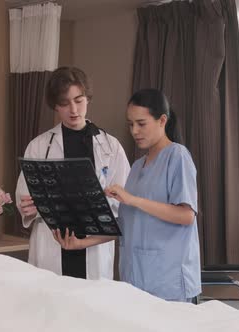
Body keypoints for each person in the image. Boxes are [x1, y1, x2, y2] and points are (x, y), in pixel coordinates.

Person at [15, 66, 130, 280]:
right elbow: (24, 196)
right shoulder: (39, 146)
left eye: (79, 100)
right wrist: (29, 207)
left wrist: (100, 201)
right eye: (65, 103)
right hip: (51, 241)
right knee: (51, 305)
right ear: (55, 107)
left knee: (90, 306)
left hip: (93, 243)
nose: (73, 109)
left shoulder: (110, 147)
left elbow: (124, 203)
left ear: (88, 98)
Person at [105, 88, 201, 302]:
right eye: (131, 124)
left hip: (168, 282)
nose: (134, 131)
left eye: (141, 123)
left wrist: (132, 200)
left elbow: (186, 215)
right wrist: (81, 242)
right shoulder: (138, 167)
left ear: (162, 120)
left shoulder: (178, 156)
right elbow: (127, 225)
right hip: (135, 280)